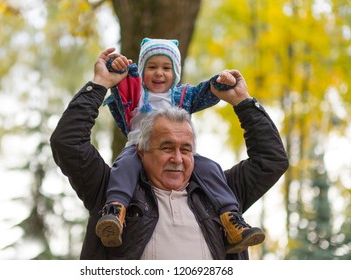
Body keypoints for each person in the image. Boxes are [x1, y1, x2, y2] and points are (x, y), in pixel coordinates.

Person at [50, 47, 289, 259]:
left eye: (186, 149)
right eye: (166, 147)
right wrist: (100, 84)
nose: (177, 158)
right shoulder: (109, 189)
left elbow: (271, 160)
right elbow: (68, 143)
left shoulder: (219, 192)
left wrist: (243, 103)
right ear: (141, 151)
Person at [96, 38, 264, 253]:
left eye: (166, 68)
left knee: (210, 168)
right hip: (138, 146)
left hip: (178, 148)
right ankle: (115, 211)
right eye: (152, 67)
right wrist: (115, 65)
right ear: (141, 69)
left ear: (176, 72)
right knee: (123, 169)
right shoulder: (134, 91)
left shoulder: (182, 94)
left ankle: (232, 221)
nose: (159, 73)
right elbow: (116, 78)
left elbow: (206, 92)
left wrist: (221, 82)